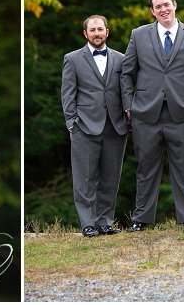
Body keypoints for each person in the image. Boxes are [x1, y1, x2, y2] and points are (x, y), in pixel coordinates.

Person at [120, 0, 184, 234]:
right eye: (157, 7)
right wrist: (129, 105)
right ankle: (141, 219)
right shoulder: (138, 35)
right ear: (152, 11)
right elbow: (127, 73)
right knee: (146, 167)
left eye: (166, 5)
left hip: (183, 113)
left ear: (175, 4)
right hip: (145, 113)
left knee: (183, 168)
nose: (163, 9)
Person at [60, 15, 128, 238]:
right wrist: (72, 123)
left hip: (115, 127)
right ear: (85, 34)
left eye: (100, 29)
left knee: (110, 178)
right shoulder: (72, 59)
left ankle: (105, 221)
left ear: (107, 32)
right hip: (84, 127)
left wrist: (127, 118)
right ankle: (87, 223)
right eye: (93, 30)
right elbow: (68, 94)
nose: (97, 33)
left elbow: (126, 91)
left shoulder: (120, 59)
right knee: (84, 179)